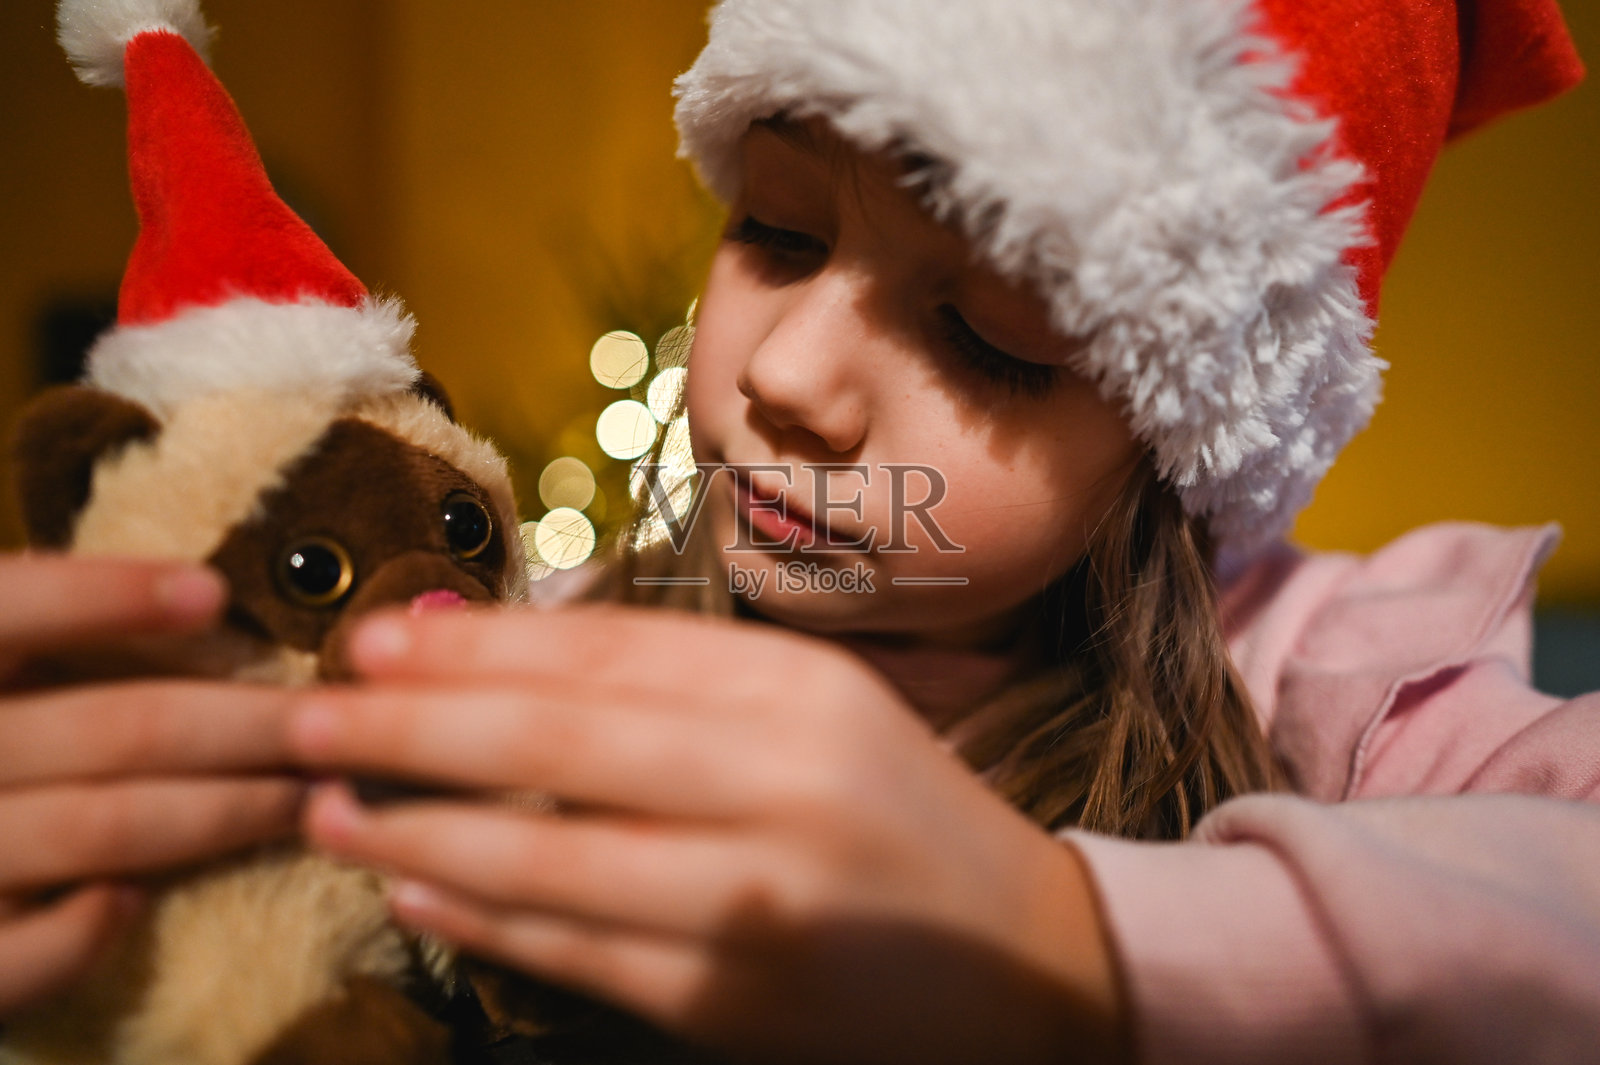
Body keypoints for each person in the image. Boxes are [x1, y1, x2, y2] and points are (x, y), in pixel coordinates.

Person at [3, 0, 1599, 1062]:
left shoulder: (1341, 692)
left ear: (1180, 447)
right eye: (774, 231)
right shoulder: (529, 649)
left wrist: (1065, 940)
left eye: (988, 333)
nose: (784, 374)